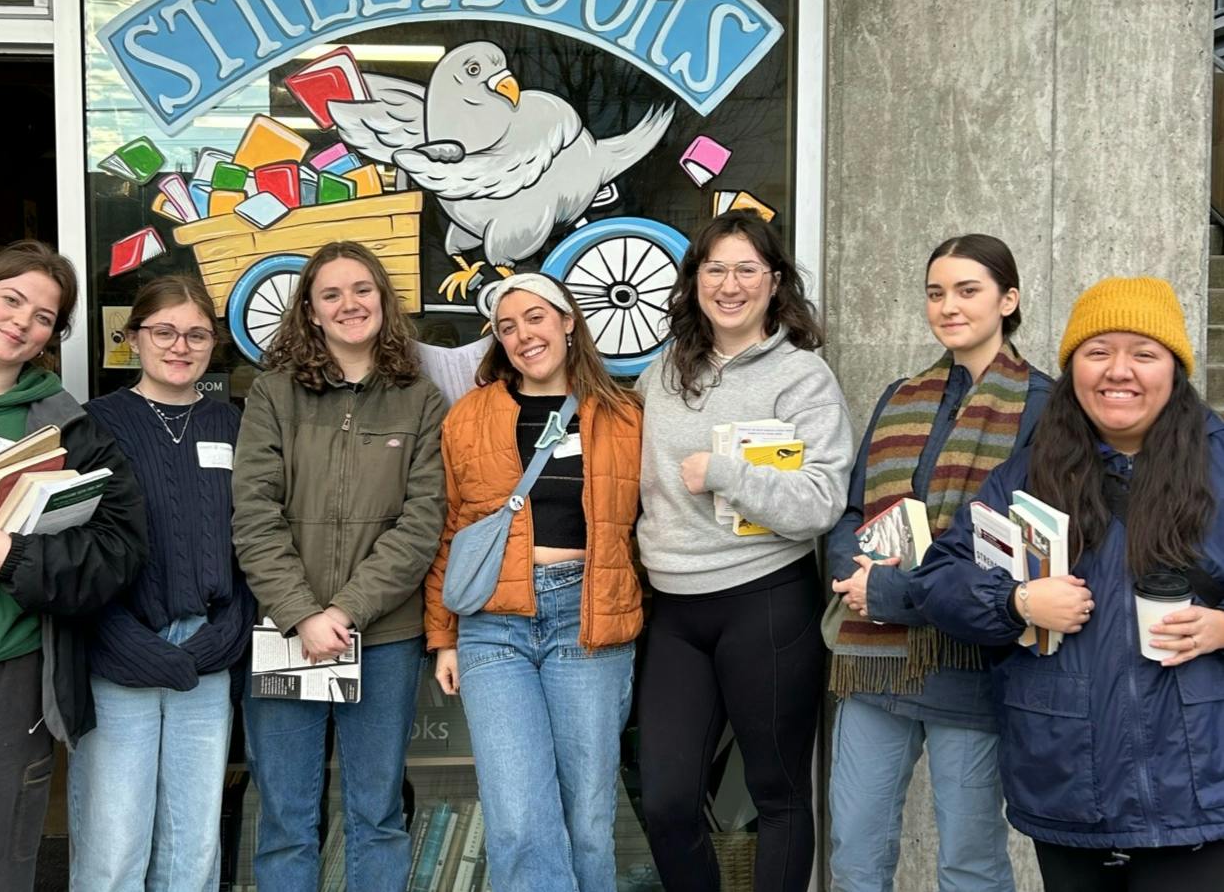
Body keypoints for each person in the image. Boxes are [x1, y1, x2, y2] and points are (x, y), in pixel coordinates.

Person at [912, 276, 1224, 891]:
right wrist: (1016, 601)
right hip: (1065, 778)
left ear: (1175, 368)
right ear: (1072, 367)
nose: (1119, 371)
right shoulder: (1029, 472)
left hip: (1197, 783)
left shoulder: (1217, 464)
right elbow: (939, 579)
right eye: (1098, 351)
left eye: (1144, 353)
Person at [633, 210, 854, 891]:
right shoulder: (662, 372)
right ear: (695, 279)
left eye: (747, 270)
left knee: (777, 794)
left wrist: (727, 472)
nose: (730, 285)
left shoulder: (802, 378)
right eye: (716, 269)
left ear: (775, 281)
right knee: (666, 800)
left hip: (766, 603)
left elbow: (822, 500)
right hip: (673, 609)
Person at [824, 234, 1052, 892]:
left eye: (967, 290)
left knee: (969, 861)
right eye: (935, 292)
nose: (948, 306)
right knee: (855, 852)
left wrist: (893, 590)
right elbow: (854, 508)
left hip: (971, 660)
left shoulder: (1044, 404)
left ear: (1008, 299)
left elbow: (1025, 544)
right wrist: (854, 575)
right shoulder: (901, 395)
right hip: (875, 657)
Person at [233, 240, 446, 892]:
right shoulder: (273, 394)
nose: (349, 304)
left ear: (383, 299)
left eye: (361, 289)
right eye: (331, 294)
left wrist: (347, 609)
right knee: (286, 818)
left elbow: (422, 521)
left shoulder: (420, 399)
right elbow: (254, 511)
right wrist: (302, 612)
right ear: (310, 311)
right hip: (285, 632)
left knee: (377, 815)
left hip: (382, 635)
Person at [424, 273, 643, 892]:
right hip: (494, 623)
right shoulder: (470, 416)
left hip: (588, 616)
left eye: (536, 318)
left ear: (568, 323)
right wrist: (443, 637)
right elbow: (451, 529)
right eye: (508, 327)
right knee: (518, 817)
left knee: (588, 819)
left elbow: (650, 527)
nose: (523, 335)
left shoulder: (624, 415)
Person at [0, 239, 147, 892]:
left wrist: (15, 556)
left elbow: (118, 548)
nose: (22, 322)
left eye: (43, 317)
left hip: (5, 673)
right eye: (12, 300)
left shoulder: (66, 428)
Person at [69, 276, 255, 891]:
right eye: (165, 332)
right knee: (114, 844)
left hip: (207, 655)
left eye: (197, 335)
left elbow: (253, 536)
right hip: (117, 653)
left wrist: (227, 632)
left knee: (192, 845)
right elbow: (73, 547)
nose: (180, 346)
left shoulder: (231, 423)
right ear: (133, 337)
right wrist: (119, 638)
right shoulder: (93, 424)